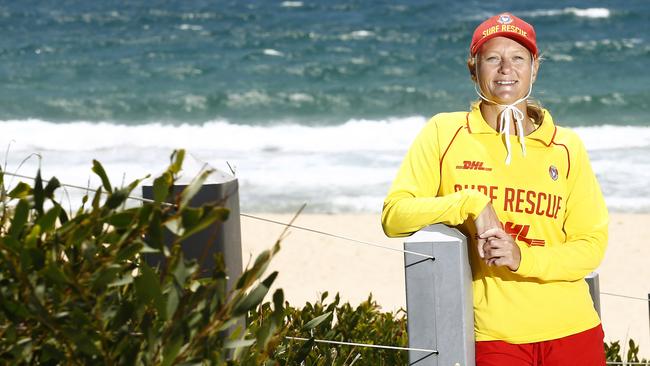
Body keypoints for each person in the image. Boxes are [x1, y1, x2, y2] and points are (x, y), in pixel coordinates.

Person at [381, 12, 608, 366]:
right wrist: (470, 203)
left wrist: (521, 258)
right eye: (493, 58)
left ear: (534, 69)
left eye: (518, 58)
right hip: (495, 339)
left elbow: (590, 246)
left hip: (573, 331)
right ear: (474, 69)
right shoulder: (445, 133)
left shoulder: (565, 146)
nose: (506, 69)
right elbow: (394, 215)